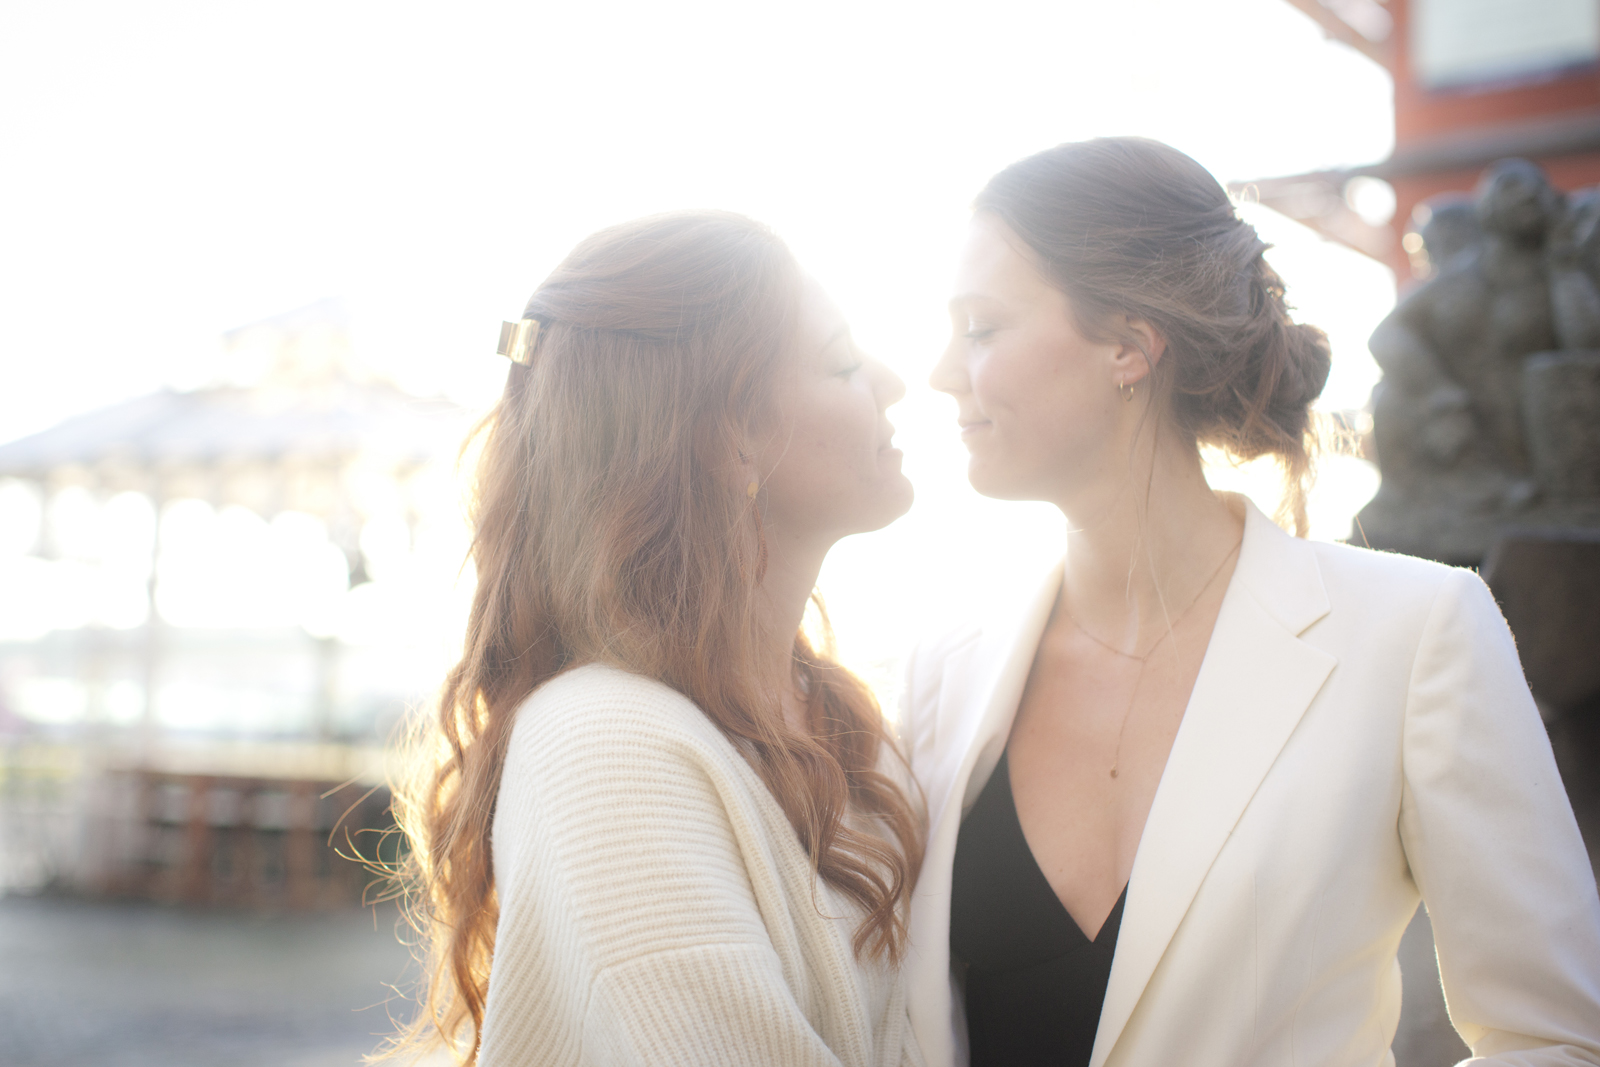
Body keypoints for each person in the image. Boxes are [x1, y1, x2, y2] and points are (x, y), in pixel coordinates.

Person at [904, 138, 1600, 1067]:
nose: (943, 371)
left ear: (1128, 342)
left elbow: (1553, 1034)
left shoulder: (1413, 631)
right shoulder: (941, 677)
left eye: (982, 326)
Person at [386, 211, 926, 1067]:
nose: (894, 381)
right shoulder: (605, 744)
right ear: (728, 436)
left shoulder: (838, 720)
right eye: (844, 361)